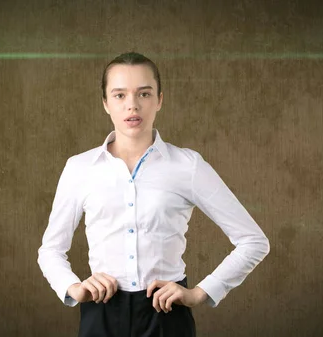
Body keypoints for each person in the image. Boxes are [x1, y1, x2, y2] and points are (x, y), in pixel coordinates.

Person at [37, 52, 270, 337]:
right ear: (105, 104)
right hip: (101, 314)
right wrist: (74, 287)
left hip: (167, 317)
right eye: (119, 95)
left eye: (144, 94)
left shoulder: (188, 166)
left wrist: (200, 293)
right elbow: (50, 251)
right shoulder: (79, 168)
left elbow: (253, 241)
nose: (132, 105)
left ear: (159, 99)